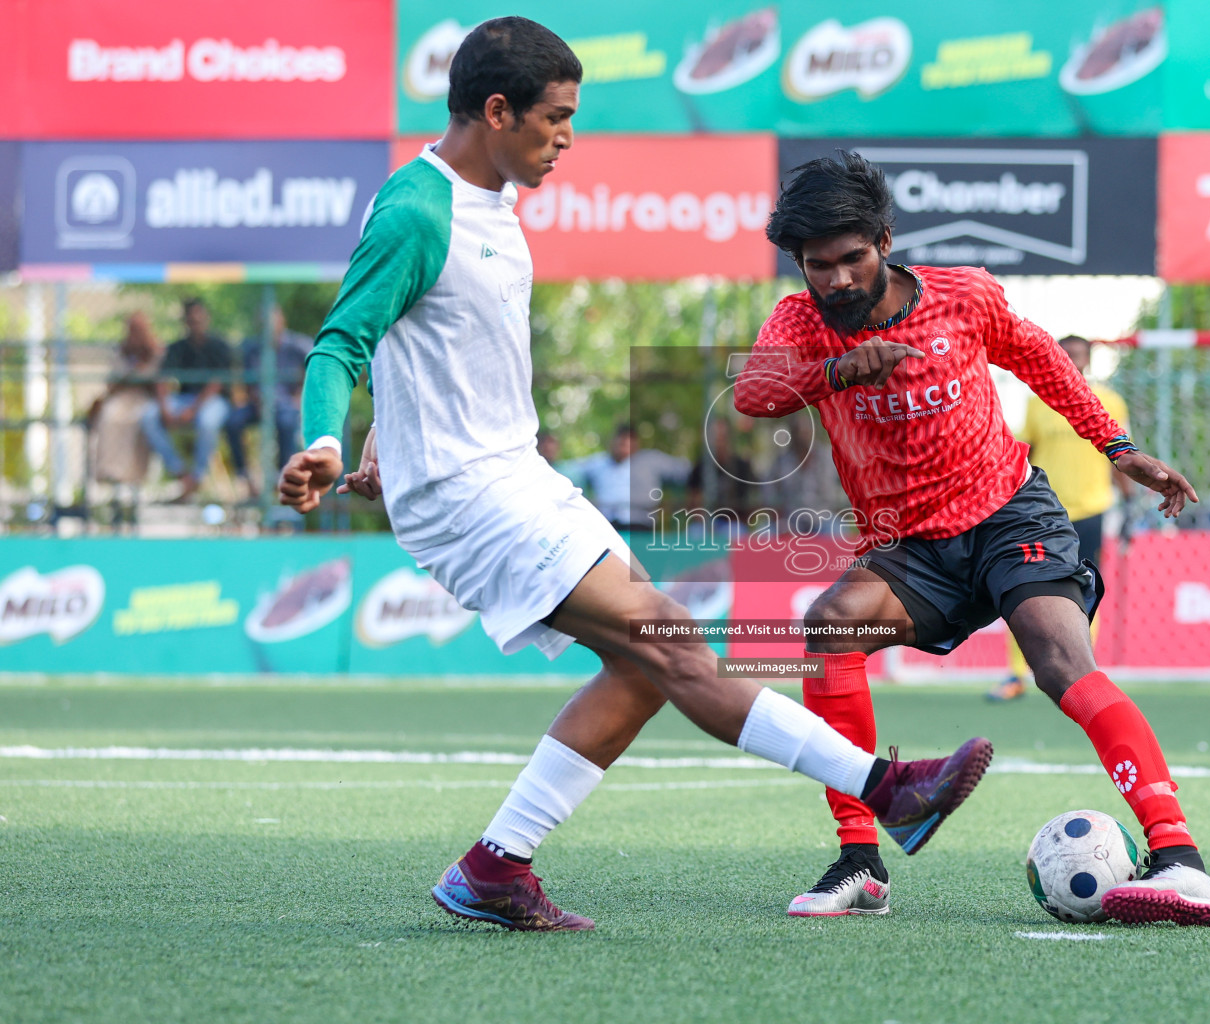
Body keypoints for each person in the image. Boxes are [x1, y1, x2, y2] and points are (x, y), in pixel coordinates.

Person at [276, 18, 991, 933]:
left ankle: (496, 866)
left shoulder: (490, 202)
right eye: (556, 118)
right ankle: (887, 788)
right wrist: (329, 442)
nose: (567, 137)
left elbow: (425, 344)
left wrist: (390, 436)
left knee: (645, 665)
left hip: (513, 476)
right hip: (468, 496)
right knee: (673, 643)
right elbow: (344, 341)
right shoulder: (418, 209)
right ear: (497, 112)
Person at [733, 151, 1210, 926]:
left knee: (1060, 663)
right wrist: (840, 372)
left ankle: (1179, 858)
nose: (834, 280)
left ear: (885, 242)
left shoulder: (963, 295)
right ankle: (861, 863)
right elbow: (754, 394)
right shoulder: (800, 322)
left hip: (1006, 514)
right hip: (908, 551)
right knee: (828, 629)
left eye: (851, 259)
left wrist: (1120, 450)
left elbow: (1043, 363)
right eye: (816, 265)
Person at [989, 334, 1133, 702]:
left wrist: (1130, 496)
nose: (1073, 361)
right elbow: (1023, 453)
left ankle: (1083, 672)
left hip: (1091, 508)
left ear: (1089, 360)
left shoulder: (1111, 401)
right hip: (1043, 512)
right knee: (1020, 586)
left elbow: (1119, 451)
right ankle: (1015, 675)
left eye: (1079, 356)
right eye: (1066, 355)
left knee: (1087, 588)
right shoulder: (1039, 403)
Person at [140, 298, 233, 502]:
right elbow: (162, 379)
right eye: (191, 319)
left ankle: (197, 478)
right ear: (185, 321)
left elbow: (217, 384)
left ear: (207, 318)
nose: (196, 322)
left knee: (208, 421)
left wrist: (192, 409)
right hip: (184, 398)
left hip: (213, 401)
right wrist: (164, 408)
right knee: (147, 416)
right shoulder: (177, 347)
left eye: (199, 318)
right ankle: (180, 472)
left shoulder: (220, 345)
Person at [225, 306, 313, 498]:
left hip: (286, 405)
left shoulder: (298, 345)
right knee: (232, 421)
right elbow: (244, 380)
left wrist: (300, 397)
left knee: (286, 422)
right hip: (258, 405)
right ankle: (244, 475)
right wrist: (253, 398)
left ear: (282, 321)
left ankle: (282, 474)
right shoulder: (252, 348)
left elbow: (316, 369)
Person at [562, 423, 690, 528]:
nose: (623, 444)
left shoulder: (651, 460)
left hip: (641, 524)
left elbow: (686, 470)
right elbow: (568, 469)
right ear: (612, 442)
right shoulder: (598, 463)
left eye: (628, 440)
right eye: (620, 439)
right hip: (607, 525)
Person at [89, 312, 163, 487]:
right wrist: (129, 376)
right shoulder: (120, 351)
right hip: (122, 397)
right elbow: (112, 383)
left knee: (141, 419)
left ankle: (134, 474)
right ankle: (109, 471)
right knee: (110, 414)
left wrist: (141, 373)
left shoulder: (156, 351)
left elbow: (158, 383)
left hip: (144, 398)